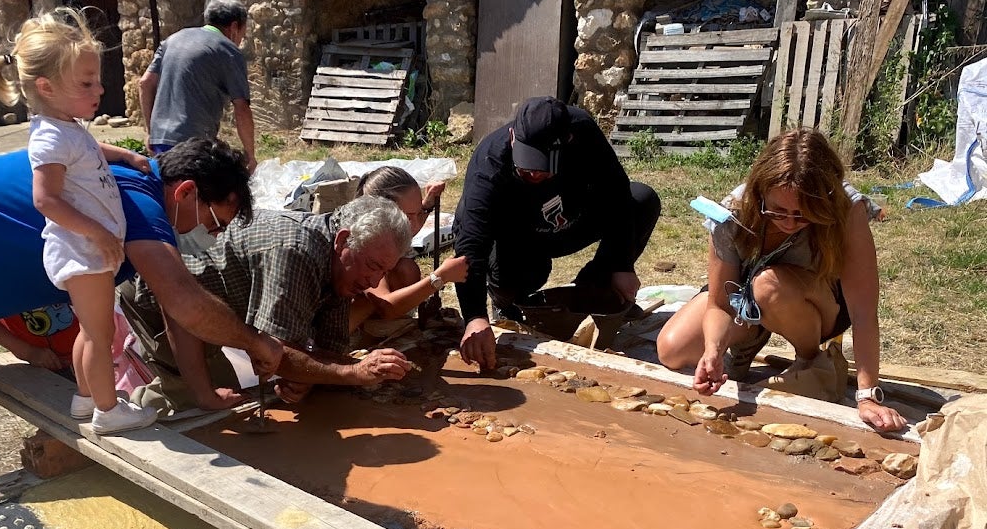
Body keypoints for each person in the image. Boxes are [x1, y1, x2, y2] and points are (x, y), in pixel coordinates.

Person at [0, 138, 283, 521]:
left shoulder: (129, 180)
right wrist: (255, 341)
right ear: (186, 192)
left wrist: (203, 395)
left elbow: (174, 304)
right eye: (215, 221)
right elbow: (185, 300)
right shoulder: (139, 203)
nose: (210, 233)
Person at [655, 128, 906, 433]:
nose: (788, 223)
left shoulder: (847, 208)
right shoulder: (732, 211)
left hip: (817, 303)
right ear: (760, 193)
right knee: (672, 350)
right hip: (745, 296)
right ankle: (748, 337)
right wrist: (713, 351)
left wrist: (868, 396)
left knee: (768, 286)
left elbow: (864, 311)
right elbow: (720, 304)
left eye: (802, 215)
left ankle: (813, 364)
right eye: (777, 211)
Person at [0, 6, 157, 434]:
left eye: (97, 79)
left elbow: (90, 149)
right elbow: (45, 199)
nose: (99, 89)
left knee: (91, 331)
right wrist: (99, 232)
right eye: (86, 83)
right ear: (46, 86)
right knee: (102, 337)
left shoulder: (67, 126)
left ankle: (86, 399)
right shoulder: (48, 136)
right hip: (83, 250)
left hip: (88, 251)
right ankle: (108, 410)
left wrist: (126, 154)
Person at [119, 195, 416, 412]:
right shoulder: (296, 251)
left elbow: (327, 348)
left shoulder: (341, 267)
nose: (375, 282)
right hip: (161, 292)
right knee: (198, 403)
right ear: (342, 241)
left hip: (213, 306)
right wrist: (352, 371)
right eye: (373, 266)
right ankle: (132, 419)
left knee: (236, 389)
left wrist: (309, 377)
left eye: (384, 271)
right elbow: (279, 353)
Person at [453, 96, 660, 370]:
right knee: (518, 277)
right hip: (516, 236)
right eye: (526, 166)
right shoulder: (488, 166)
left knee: (642, 199)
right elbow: (470, 247)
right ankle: (506, 305)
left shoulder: (583, 130)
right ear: (513, 137)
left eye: (543, 168)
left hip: (567, 222)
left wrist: (621, 263)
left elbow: (617, 191)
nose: (534, 174)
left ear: (569, 141)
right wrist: (474, 317)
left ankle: (594, 288)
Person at [138, 0, 255, 172]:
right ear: (234, 27)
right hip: (193, 145)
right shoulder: (228, 50)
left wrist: (150, 132)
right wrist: (250, 156)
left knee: (167, 192)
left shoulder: (173, 40)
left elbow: (145, 83)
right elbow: (242, 108)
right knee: (194, 195)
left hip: (160, 140)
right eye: (242, 34)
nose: (239, 41)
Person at [347, 166, 467, 331]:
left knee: (406, 269)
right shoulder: (364, 244)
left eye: (418, 214)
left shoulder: (383, 230)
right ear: (381, 213)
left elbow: (409, 228)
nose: (416, 224)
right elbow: (387, 307)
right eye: (408, 217)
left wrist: (428, 204)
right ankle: (363, 337)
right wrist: (440, 277)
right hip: (335, 327)